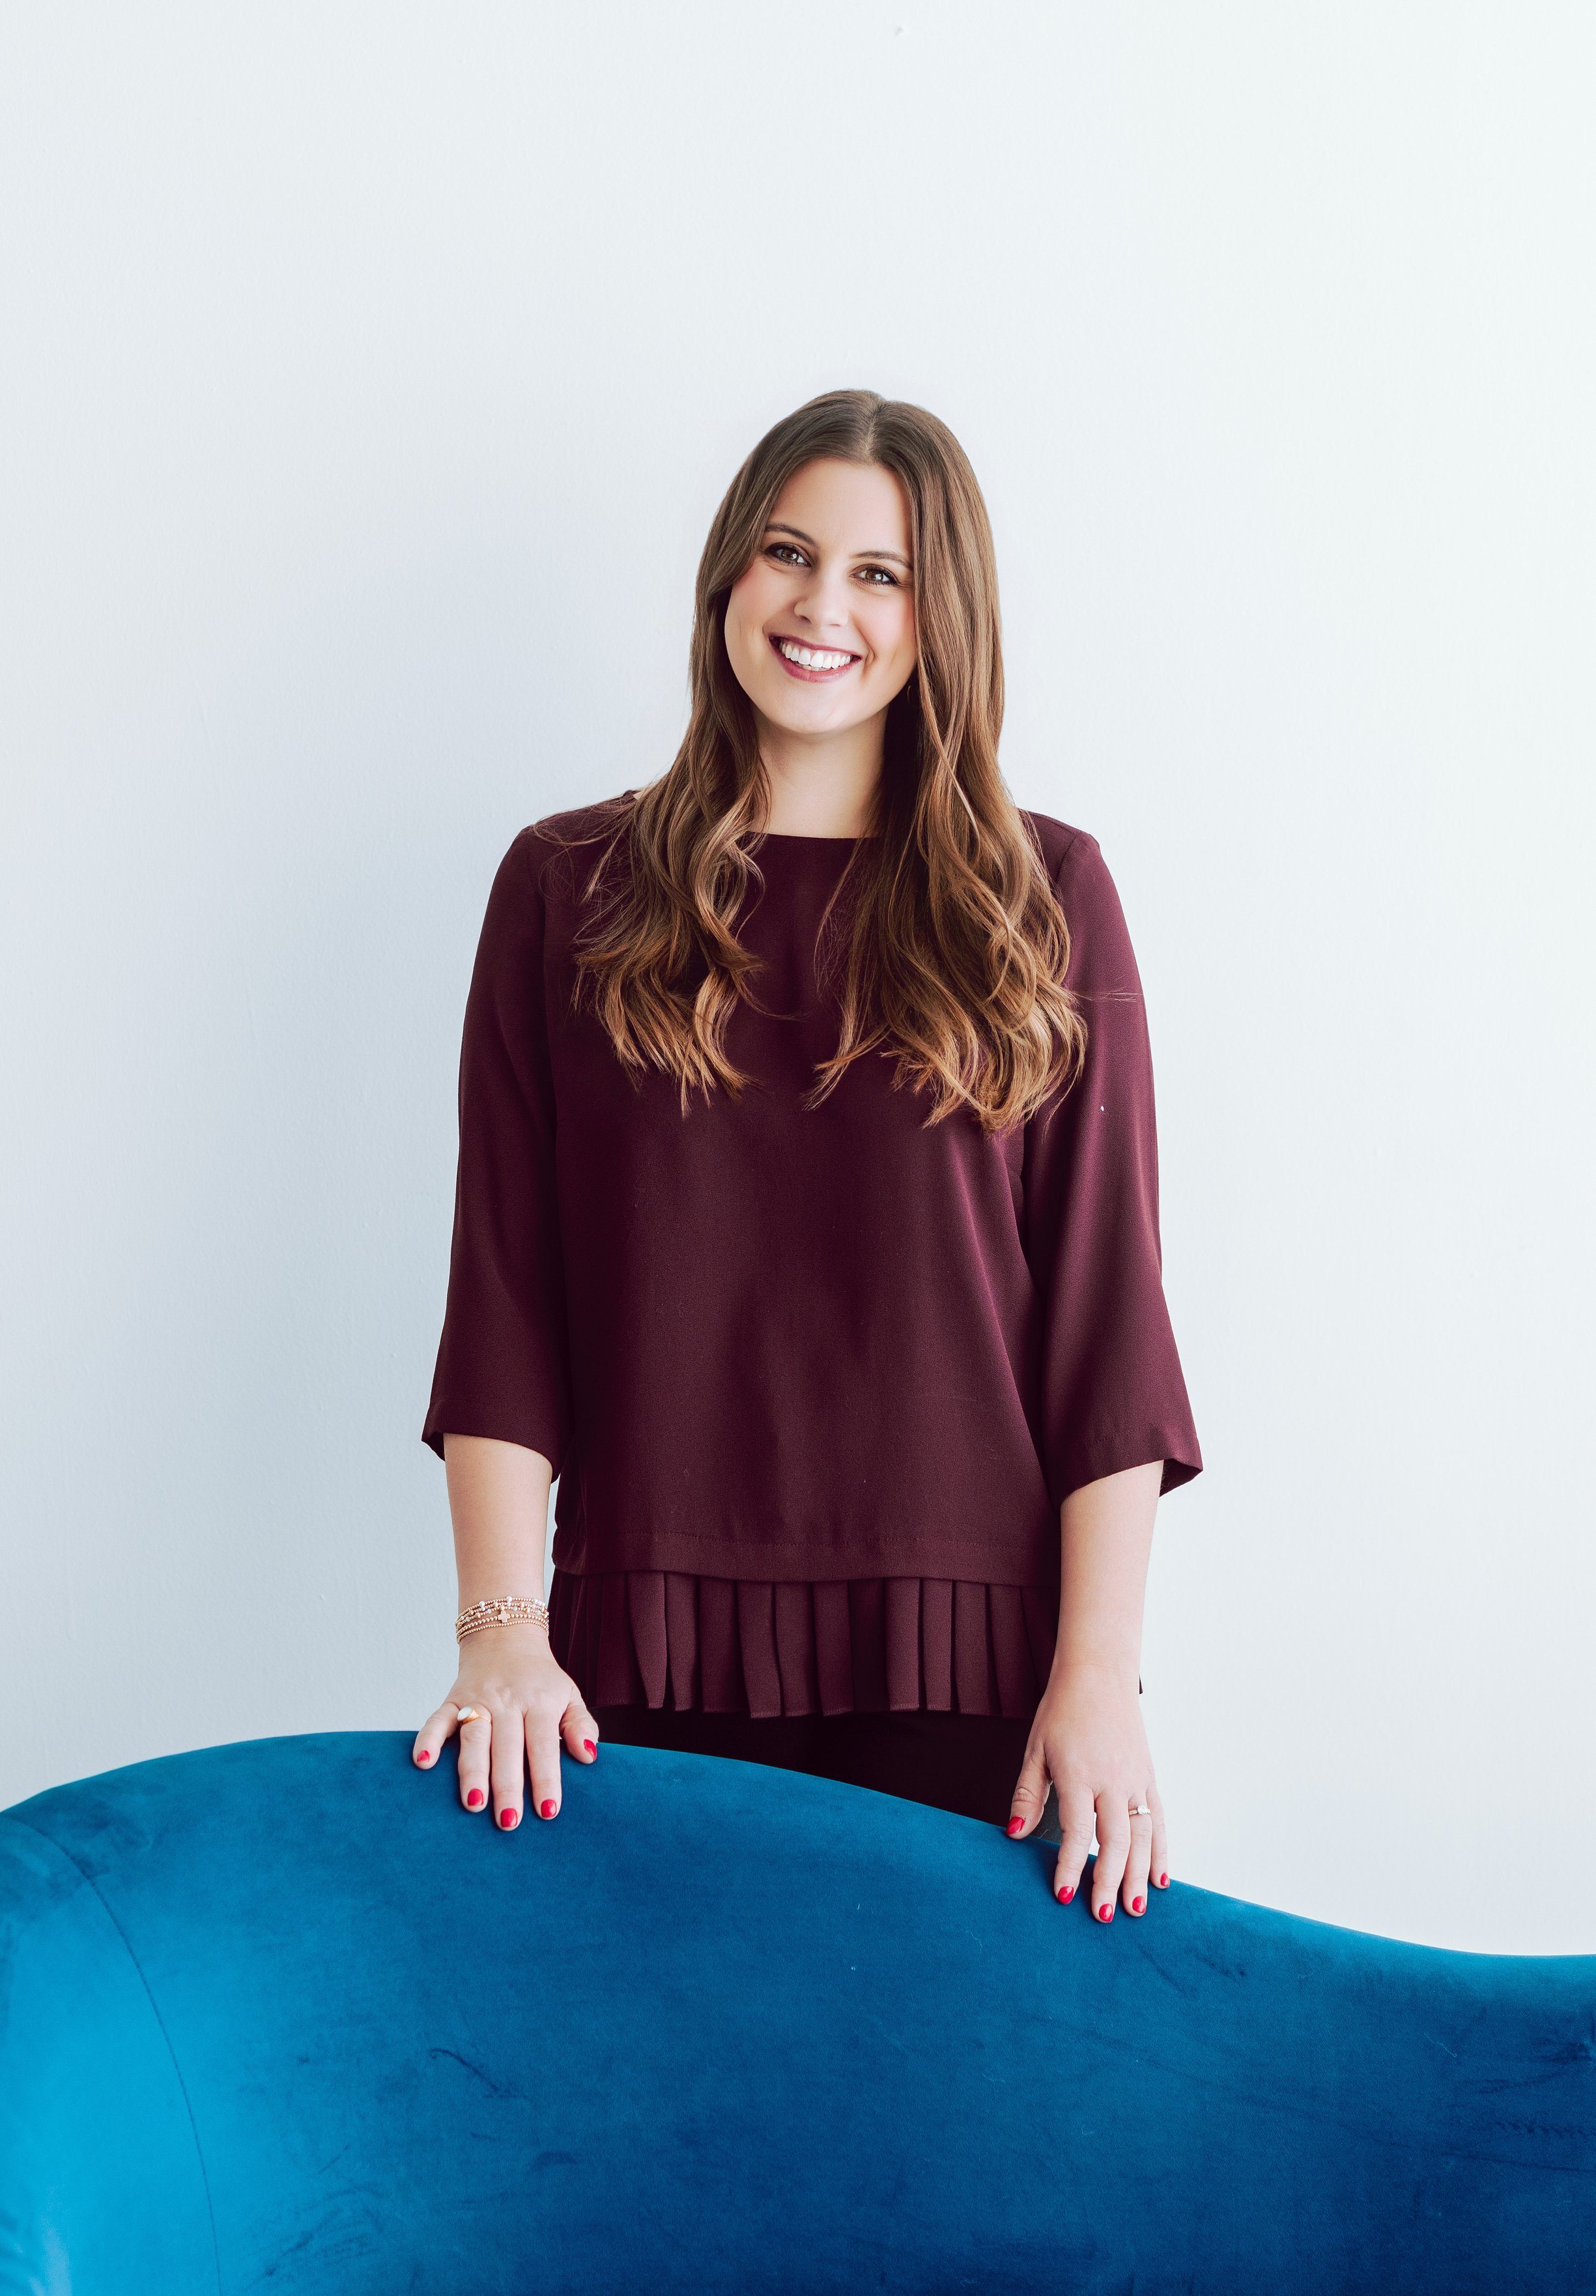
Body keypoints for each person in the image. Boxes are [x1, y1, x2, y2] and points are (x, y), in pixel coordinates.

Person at [415, 389, 1201, 1924]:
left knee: (943, 2150)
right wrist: (499, 1629)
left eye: (877, 572)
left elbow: (1105, 1327)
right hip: (623, 1664)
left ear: (938, 616)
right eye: (786, 552)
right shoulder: (564, 889)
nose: (819, 605)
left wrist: (1097, 1677)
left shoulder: (1047, 896)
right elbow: (502, 1300)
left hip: (976, 1676)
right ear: (727, 578)